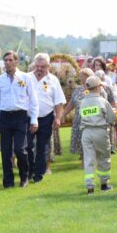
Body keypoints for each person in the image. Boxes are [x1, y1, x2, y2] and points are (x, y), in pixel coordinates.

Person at [0, 51, 38, 188]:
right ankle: (8, 181)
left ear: (16, 62)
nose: (7, 62)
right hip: (5, 117)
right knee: (6, 151)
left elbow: (33, 100)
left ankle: (24, 177)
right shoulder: (0, 80)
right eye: (5, 60)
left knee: (20, 149)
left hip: (20, 116)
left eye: (10, 60)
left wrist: (34, 119)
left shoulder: (25, 78)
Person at [27, 53, 65, 183]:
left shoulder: (53, 80)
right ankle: (29, 171)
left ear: (48, 66)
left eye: (42, 66)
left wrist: (58, 118)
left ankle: (38, 175)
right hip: (29, 117)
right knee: (27, 146)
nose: (39, 69)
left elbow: (59, 102)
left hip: (46, 117)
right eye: (37, 66)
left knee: (42, 148)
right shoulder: (27, 78)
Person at [79, 76, 116, 194]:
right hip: (100, 130)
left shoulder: (83, 102)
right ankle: (104, 184)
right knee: (103, 157)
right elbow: (111, 118)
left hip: (86, 132)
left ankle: (89, 186)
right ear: (98, 87)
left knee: (89, 159)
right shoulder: (102, 101)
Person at [62, 68, 95, 160]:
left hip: (91, 120)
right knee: (80, 140)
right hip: (78, 120)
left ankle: (89, 160)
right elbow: (71, 104)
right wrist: (63, 114)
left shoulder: (95, 89)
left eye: (83, 76)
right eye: (80, 76)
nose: (81, 78)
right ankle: (83, 159)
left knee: (89, 140)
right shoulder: (77, 90)